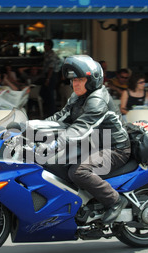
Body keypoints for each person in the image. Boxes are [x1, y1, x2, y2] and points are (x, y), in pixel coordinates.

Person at [41, 55, 131, 224]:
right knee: (54, 163)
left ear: (92, 80)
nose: (75, 84)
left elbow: (80, 128)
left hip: (115, 148)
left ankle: (115, 201)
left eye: (80, 79)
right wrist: (29, 127)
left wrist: (55, 143)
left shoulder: (97, 100)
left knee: (78, 172)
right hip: (95, 143)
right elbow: (60, 117)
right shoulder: (77, 97)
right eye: (73, 80)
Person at [40, 39, 62, 117]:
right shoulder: (46, 54)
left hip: (51, 75)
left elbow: (51, 68)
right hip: (47, 75)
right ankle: (51, 109)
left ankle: (52, 112)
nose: (44, 46)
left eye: (45, 45)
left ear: (49, 46)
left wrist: (48, 79)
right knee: (44, 93)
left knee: (50, 94)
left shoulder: (51, 55)